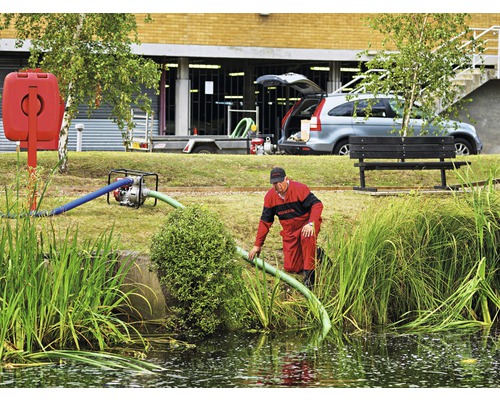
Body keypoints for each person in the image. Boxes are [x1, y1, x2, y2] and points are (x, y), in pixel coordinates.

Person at [248, 167, 323, 289]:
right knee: (291, 267)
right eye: (274, 183)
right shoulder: (270, 197)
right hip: (290, 232)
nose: (277, 185)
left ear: (286, 179)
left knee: (307, 236)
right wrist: (257, 245)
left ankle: (310, 277)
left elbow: (317, 205)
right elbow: (265, 222)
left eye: (279, 182)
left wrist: (311, 224)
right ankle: (318, 254)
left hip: (306, 224)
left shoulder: (300, 189)